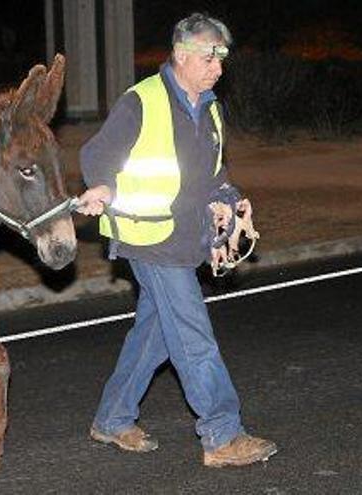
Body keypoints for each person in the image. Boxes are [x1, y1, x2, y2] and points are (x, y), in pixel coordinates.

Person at [76, 12, 277, 467]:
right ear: (182, 55)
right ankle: (222, 435)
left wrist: (230, 197)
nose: (217, 69)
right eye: (209, 58)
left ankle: (111, 418)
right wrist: (103, 186)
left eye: (221, 59)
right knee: (192, 334)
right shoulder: (141, 101)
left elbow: (213, 172)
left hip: (185, 237)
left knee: (158, 333)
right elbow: (97, 155)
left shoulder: (209, 107)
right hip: (147, 238)